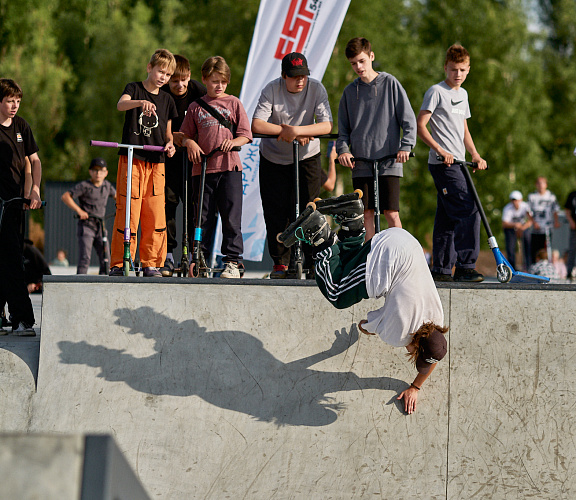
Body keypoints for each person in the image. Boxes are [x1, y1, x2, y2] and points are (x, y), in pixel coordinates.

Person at [278, 192, 447, 415]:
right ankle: (319, 234)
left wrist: (416, 386)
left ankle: (352, 220)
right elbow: (365, 325)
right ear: (416, 345)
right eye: (414, 352)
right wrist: (366, 327)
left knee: (345, 267)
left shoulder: (438, 320)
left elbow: (434, 355)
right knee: (338, 293)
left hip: (401, 240)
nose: (409, 351)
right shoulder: (401, 334)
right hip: (387, 260)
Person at [252, 52, 333, 279]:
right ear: (283, 76)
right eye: (295, 77)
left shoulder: (316, 89)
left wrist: (298, 131)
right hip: (274, 159)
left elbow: (326, 125)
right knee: (276, 211)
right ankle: (281, 263)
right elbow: (257, 124)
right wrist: (284, 131)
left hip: (307, 157)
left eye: (304, 76)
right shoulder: (272, 89)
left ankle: (310, 261)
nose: (300, 81)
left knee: (310, 209)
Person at [417, 44, 487, 283]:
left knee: (447, 216)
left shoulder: (463, 94)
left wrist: (475, 155)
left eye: (463, 70)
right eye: (454, 69)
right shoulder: (436, 92)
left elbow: (464, 129)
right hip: (442, 164)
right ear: (445, 67)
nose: (458, 74)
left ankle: (442, 268)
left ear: (468, 69)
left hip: (459, 163)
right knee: (469, 208)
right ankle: (466, 265)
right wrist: (439, 150)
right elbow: (420, 126)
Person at [179, 56, 252, 278]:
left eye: (222, 81)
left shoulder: (234, 103)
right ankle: (198, 258)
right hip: (202, 171)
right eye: (213, 81)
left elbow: (246, 134)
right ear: (204, 80)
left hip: (229, 169)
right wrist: (189, 142)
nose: (218, 86)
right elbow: (182, 135)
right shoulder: (195, 107)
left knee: (231, 218)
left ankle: (233, 261)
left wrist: (234, 142)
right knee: (201, 218)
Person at [337, 37, 417, 238]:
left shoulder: (390, 83)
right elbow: (343, 131)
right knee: (366, 213)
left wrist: (406, 146)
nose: (358, 67)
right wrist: (344, 151)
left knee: (391, 213)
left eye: (362, 61)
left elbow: (409, 120)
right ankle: (370, 261)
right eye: (353, 63)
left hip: (389, 161)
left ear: (371, 56)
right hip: (361, 163)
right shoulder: (349, 92)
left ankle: (401, 257)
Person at [108, 49, 177, 277]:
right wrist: (140, 102)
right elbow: (121, 105)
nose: (163, 78)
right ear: (149, 68)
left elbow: (168, 133)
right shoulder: (134, 88)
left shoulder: (167, 99)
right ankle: (121, 262)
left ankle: (151, 264)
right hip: (132, 160)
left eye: (167, 75)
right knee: (128, 211)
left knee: (155, 213)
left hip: (156, 163)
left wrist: (170, 144)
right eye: (160, 72)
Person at [0, 78, 42, 336]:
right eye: (9, 101)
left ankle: (19, 318)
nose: (14, 106)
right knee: (8, 261)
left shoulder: (21, 126)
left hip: (14, 204)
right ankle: (22, 317)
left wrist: (34, 190)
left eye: (17, 101)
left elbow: (34, 161)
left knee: (12, 259)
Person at [159, 55, 207, 277]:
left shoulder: (198, 91)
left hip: (193, 158)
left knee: (193, 206)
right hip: (168, 158)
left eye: (183, 80)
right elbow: (161, 132)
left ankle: (192, 253)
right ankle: (167, 253)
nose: (179, 85)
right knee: (167, 205)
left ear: (190, 77)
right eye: (174, 81)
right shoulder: (162, 94)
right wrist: (178, 138)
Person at [61, 158, 116, 274]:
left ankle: (104, 282)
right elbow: (66, 196)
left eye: (101, 171)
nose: (98, 173)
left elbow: (118, 198)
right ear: (90, 172)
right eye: (95, 170)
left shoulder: (107, 186)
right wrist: (79, 211)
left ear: (106, 173)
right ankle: (80, 284)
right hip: (87, 226)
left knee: (106, 258)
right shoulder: (85, 186)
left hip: (101, 226)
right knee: (85, 258)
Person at [527, 176, 560, 264]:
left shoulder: (551, 197)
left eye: (543, 183)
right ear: (536, 185)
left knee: (547, 248)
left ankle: (546, 266)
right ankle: (534, 266)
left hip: (547, 227)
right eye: (539, 183)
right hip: (536, 228)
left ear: (546, 185)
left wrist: (556, 221)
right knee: (535, 248)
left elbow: (555, 210)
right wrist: (533, 222)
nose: (541, 185)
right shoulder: (532, 197)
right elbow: (528, 211)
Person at [501, 190, 533, 270]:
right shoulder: (507, 208)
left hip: (523, 227)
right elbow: (504, 223)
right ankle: (512, 267)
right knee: (510, 247)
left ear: (521, 200)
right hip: (510, 228)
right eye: (513, 200)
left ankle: (528, 266)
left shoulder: (525, 206)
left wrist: (523, 227)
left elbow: (530, 220)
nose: (515, 202)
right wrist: (515, 225)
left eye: (517, 200)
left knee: (527, 242)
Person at [564, 187, 576, 278]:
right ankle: (569, 271)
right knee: (572, 250)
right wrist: (571, 221)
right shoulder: (572, 195)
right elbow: (567, 210)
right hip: (574, 227)